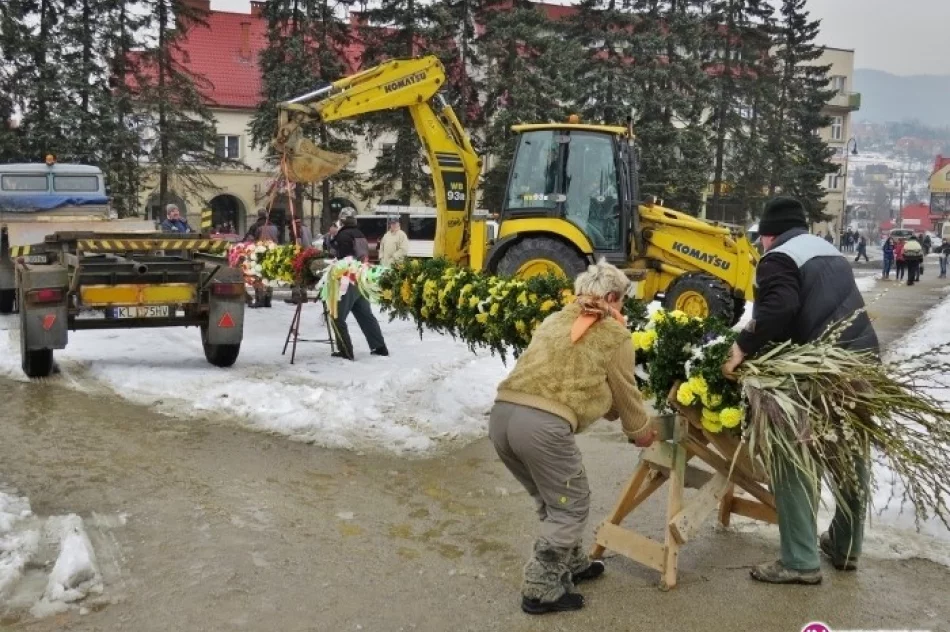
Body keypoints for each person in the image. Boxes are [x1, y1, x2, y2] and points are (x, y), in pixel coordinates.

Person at [722, 196, 879, 586]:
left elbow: (779, 309)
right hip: (860, 364)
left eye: (761, 238)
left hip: (819, 372)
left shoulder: (778, 257)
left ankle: (800, 560)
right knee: (849, 452)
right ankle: (845, 546)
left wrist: (742, 347)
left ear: (768, 235)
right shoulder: (828, 250)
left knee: (793, 454)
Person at [489, 260, 654, 614]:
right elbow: (626, 392)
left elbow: (571, 375)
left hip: (502, 415)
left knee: (553, 498)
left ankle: (572, 562)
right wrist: (641, 432)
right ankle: (541, 586)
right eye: (623, 300)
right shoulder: (614, 334)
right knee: (572, 503)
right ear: (612, 297)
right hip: (541, 427)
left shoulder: (555, 319)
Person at [331, 208, 388, 360]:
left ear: (342, 220)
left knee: (336, 316)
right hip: (361, 279)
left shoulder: (343, 235)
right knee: (365, 315)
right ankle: (379, 347)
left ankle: (346, 351)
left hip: (348, 280)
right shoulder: (360, 233)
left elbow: (344, 260)